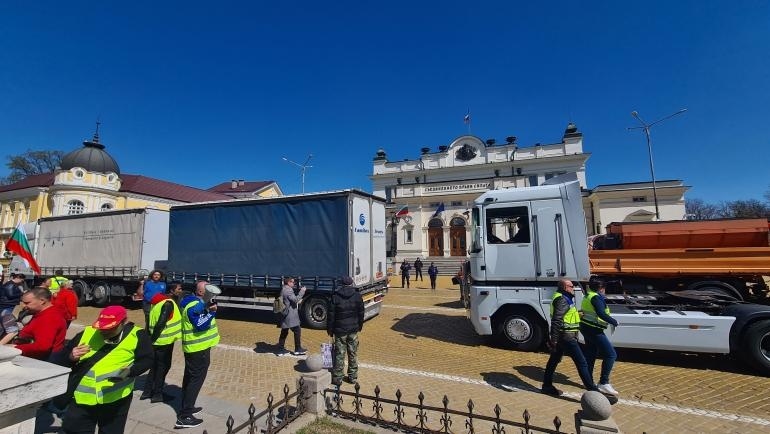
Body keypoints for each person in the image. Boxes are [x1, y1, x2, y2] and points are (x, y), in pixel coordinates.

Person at [58, 305, 153, 434]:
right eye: (101, 328)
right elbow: (62, 357)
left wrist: (130, 371)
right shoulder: (87, 332)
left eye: (110, 329)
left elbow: (147, 359)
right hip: (82, 400)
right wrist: (71, 356)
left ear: (123, 323)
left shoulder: (137, 335)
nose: (104, 332)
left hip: (116, 400)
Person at [541, 279, 597, 396]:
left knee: (554, 360)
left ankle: (546, 386)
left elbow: (566, 316)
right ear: (565, 288)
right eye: (571, 286)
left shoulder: (563, 298)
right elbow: (557, 319)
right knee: (582, 362)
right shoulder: (562, 299)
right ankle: (594, 392)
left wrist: (578, 314)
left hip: (563, 335)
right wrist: (554, 340)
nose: (573, 288)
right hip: (566, 337)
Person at [177, 281, 220, 429]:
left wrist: (208, 308)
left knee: (190, 378)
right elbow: (200, 324)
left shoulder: (197, 303)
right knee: (195, 380)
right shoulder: (193, 306)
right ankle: (184, 416)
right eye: (208, 290)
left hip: (197, 348)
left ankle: (187, 406)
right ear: (201, 292)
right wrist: (212, 312)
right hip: (197, 350)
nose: (212, 293)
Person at [141, 287, 182, 403]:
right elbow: (161, 323)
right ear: (171, 291)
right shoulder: (168, 304)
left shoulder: (157, 303)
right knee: (163, 367)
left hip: (156, 341)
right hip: (164, 341)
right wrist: (153, 339)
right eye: (178, 288)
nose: (180, 290)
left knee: (154, 366)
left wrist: (150, 339)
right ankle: (157, 394)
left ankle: (147, 391)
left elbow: (149, 321)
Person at [580, 277, 620, 396]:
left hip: (586, 327)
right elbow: (601, 313)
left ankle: (588, 381)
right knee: (611, 354)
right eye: (604, 288)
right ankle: (604, 383)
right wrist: (614, 321)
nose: (604, 290)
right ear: (600, 288)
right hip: (594, 330)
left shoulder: (588, 295)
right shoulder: (596, 297)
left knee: (591, 354)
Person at [7, 288, 67, 361]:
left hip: (42, 361)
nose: (23, 306)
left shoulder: (49, 318)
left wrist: (14, 348)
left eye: (27, 303)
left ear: (42, 301)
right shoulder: (42, 313)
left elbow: (42, 346)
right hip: (35, 358)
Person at [327, 276, 364, 386]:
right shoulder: (357, 295)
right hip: (353, 329)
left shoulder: (335, 296)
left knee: (339, 353)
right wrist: (359, 326)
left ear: (341, 284)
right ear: (351, 283)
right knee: (353, 353)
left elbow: (331, 315)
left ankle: (338, 377)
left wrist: (330, 330)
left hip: (340, 330)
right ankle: (352, 377)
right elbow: (361, 313)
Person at [276, 277, 307, 356]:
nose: (294, 284)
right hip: (290, 315)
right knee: (297, 330)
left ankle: (280, 350)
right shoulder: (288, 290)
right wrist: (302, 291)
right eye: (293, 282)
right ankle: (298, 349)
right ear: (288, 282)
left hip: (285, 314)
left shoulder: (283, 289)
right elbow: (295, 299)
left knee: (284, 332)